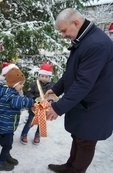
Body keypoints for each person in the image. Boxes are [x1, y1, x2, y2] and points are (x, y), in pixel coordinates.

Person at [45, 8, 113, 173]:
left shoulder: (96, 44)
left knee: (86, 141)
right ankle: (70, 166)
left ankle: (76, 170)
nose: (63, 35)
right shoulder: (85, 40)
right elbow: (72, 72)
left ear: (76, 23)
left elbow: (83, 82)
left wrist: (58, 107)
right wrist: (56, 89)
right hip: (85, 102)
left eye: (64, 30)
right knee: (78, 136)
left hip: (94, 105)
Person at [0, 68, 34, 171]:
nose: (22, 87)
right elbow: (21, 102)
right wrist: (33, 102)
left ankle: (6, 155)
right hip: (6, 125)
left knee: (6, 143)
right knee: (7, 145)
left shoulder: (5, 90)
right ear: (14, 84)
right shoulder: (11, 95)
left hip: (2, 124)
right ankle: (1, 163)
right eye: (21, 84)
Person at [20, 62, 54, 145]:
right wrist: (34, 99)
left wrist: (50, 101)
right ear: (39, 76)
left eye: (46, 76)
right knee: (30, 122)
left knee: (41, 123)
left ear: (49, 77)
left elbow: (52, 96)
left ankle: (37, 135)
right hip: (34, 107)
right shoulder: (34, 84)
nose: (44, 78)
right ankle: (24, 134)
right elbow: (28, 93)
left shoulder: (52, 86)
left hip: (44, 108)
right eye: (42, 76)